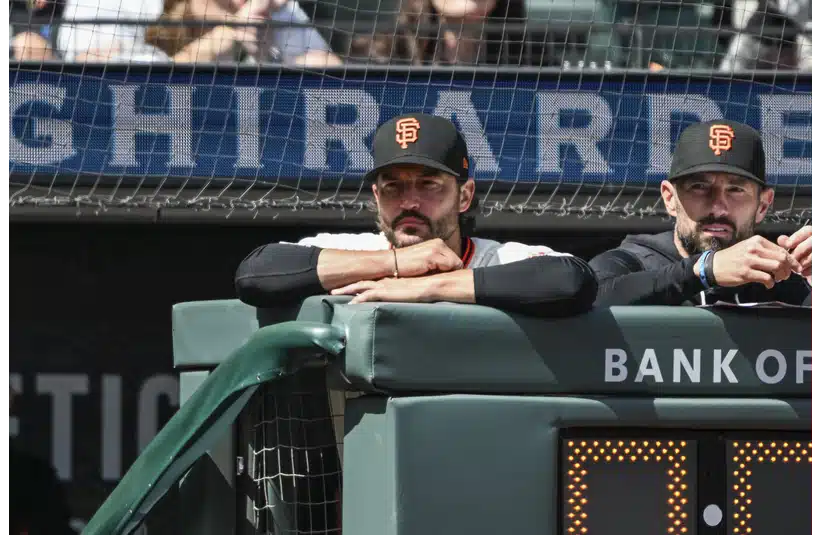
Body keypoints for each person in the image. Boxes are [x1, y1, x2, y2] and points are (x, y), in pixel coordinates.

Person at [235, 112, 597, 316]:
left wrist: (427, 286)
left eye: (429, 185)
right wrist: (393, 264)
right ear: (377, 197)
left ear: (464, 195)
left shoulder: (498, 258)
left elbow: (571, 281)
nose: (410, 201)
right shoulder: (352, 251)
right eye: (393, 187)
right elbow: (256, 273)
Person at [590, 119, 814, 307]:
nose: (718, 207)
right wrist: (705, 270)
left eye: (736, 190)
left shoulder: (782, 276)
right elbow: (588, 297)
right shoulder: (637, 261)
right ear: (670, 198)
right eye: (699, 187)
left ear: (763, 205)